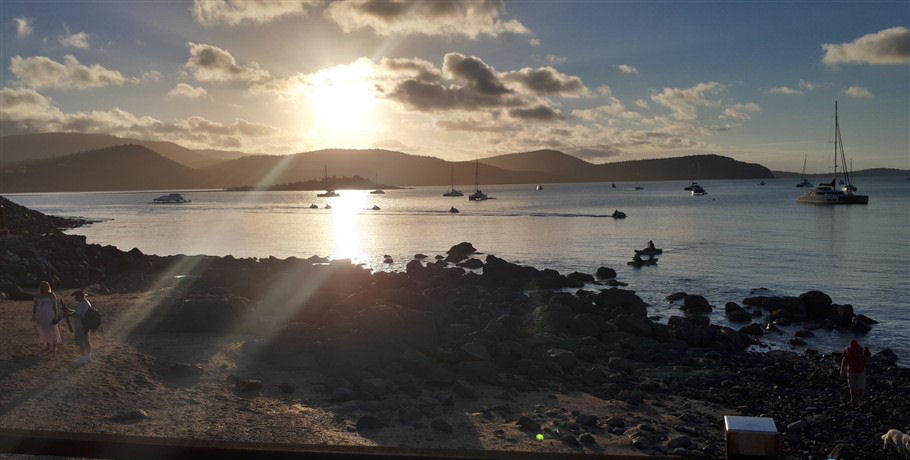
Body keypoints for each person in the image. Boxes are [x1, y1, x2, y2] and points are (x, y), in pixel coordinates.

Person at [32, 281, 62, 354]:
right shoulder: (38, 296)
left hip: (50, 314)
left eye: (46, 286)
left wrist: (56, 315)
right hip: (40, 314)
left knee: (52, 329)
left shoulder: (51, 295)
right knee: (43, 329)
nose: (45, 288)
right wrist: (33, 315)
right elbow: (35, 306)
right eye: (43, 286)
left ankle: (54, 345)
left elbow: (55, 306)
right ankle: (47, 344)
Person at [840, 339, 871, 405]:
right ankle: (853, 399)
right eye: (852, 347)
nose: (853, 349)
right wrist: (842, 370)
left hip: (861, 371)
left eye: (855, 347)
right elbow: (844, 361)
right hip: (851, 371)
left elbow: (867, 358)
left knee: (861, 387)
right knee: (852, 386)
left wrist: (864, 356)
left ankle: (860, 400)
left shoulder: (862, 351)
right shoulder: (848, 351)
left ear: (857, 346)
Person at [66, 290, 93, 363]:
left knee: (81, 342)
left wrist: (68, 314)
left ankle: (83, 358)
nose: (75, 298)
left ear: (80, 296)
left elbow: (76, 314)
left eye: (76, 296)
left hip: (81, 325)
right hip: (85, 324)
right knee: (86, 341)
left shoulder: (82, 304)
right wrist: (68, 310)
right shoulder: (86, 302)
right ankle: (88, 357)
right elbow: (77, 312)